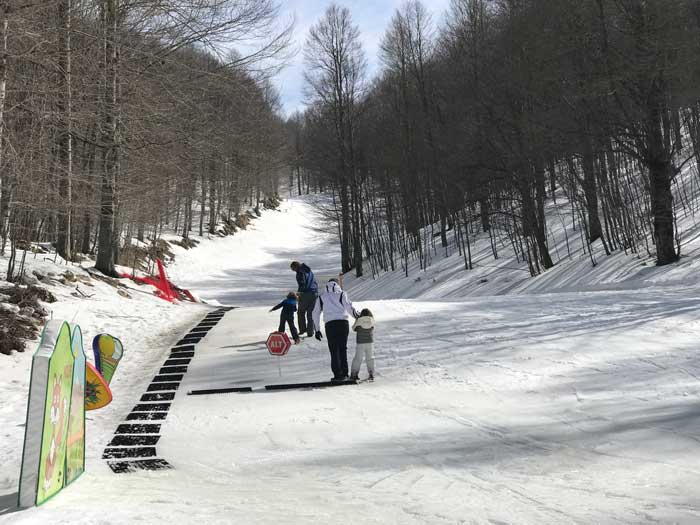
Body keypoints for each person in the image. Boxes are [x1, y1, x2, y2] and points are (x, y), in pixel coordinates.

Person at [312, 278, 359, 381]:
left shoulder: (321, 297)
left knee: (334, 350)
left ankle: (337, 375)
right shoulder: (342, 294)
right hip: (343, 323)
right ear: (337, 284)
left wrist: (317, 330)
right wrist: (358, 317)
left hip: (330, 325)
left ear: (327, 285)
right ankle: (345, 374)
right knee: (343, 348)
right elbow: (349, 307)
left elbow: (315, 313)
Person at [290, 261, 319, 337]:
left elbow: (302, 284)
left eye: (293, 269)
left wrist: (298, 294)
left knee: (300, 312)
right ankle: (310, 332)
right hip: (314, 293)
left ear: (295, 267)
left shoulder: (300, 272)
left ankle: (302, 329)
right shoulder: (309, 270)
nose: (293, 271)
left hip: (306, 294)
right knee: (310, 313)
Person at [350, 308, 375, 381]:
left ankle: (354, 374)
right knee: (370, 358)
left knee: (358, 358)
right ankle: (371, 373)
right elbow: (373, 328)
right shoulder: (372, 320)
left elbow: (353, 328)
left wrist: (357, 320)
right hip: (370, 342)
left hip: (360, 342)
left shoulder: (359, 320)